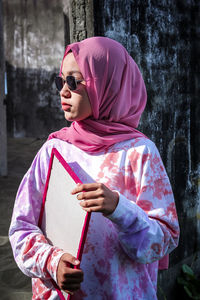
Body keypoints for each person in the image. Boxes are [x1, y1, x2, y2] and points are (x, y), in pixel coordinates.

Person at [9, 36, 179, 300]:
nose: (63, 91)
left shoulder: (139, 153)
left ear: (107, 84)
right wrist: (52, 263)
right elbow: (21, 228)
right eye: (60, 81)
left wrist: (118, 208)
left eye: (74, 81)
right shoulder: (53, 150)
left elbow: (165, 239)